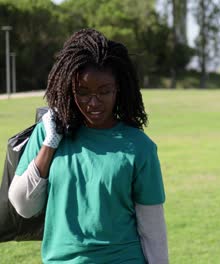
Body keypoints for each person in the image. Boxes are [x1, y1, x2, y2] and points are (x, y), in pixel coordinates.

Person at [8, 29, 168, 264]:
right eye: (83, 92)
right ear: (69, 90)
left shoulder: (140, 147)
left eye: (104, 91)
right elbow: (23, 206)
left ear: (119, 89)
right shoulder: (49, 133)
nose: (93, 102)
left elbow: (153, 231)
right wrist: (50, 144)